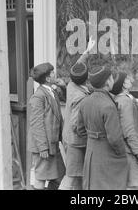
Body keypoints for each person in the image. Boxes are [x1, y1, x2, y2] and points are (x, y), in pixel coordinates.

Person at [76, 66, 129, 190]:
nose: (112, 81)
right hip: (107, 153)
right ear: (107, 82)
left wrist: (93, 138)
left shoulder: (85, 102)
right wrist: (121, 154)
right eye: (111, 78)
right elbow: (115, 138)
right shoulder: (108, 105)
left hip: (91, 151)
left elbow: (80, 130)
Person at [59, 38, 95, 190]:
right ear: (86, 79)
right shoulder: (80, 96)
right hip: (76, 142)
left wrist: (87, 51)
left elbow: (77, 67)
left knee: (79, 177)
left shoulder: (72, 85)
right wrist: (87, 135)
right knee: (72, 177)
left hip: (70, 139)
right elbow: (76, 123)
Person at [27, 63, 65, 190]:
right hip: (43, 146)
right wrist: (43, 148)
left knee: (59, 175)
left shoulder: (51, 91)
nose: (55, 74)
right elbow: (36, 124)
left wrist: (63, 87)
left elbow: (63, 97)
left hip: (52, 144)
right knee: (41, 179)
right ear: (48, 79)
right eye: (53, 73)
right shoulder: (38, 97)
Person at [111, 72, 138, 189]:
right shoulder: (125, 101)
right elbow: (128, 129)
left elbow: (136, 106)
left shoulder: (127, 98)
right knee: (133, 186)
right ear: (123, 85)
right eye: (127, 79)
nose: (131, 80)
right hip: (129, 150)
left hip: (126, 149)